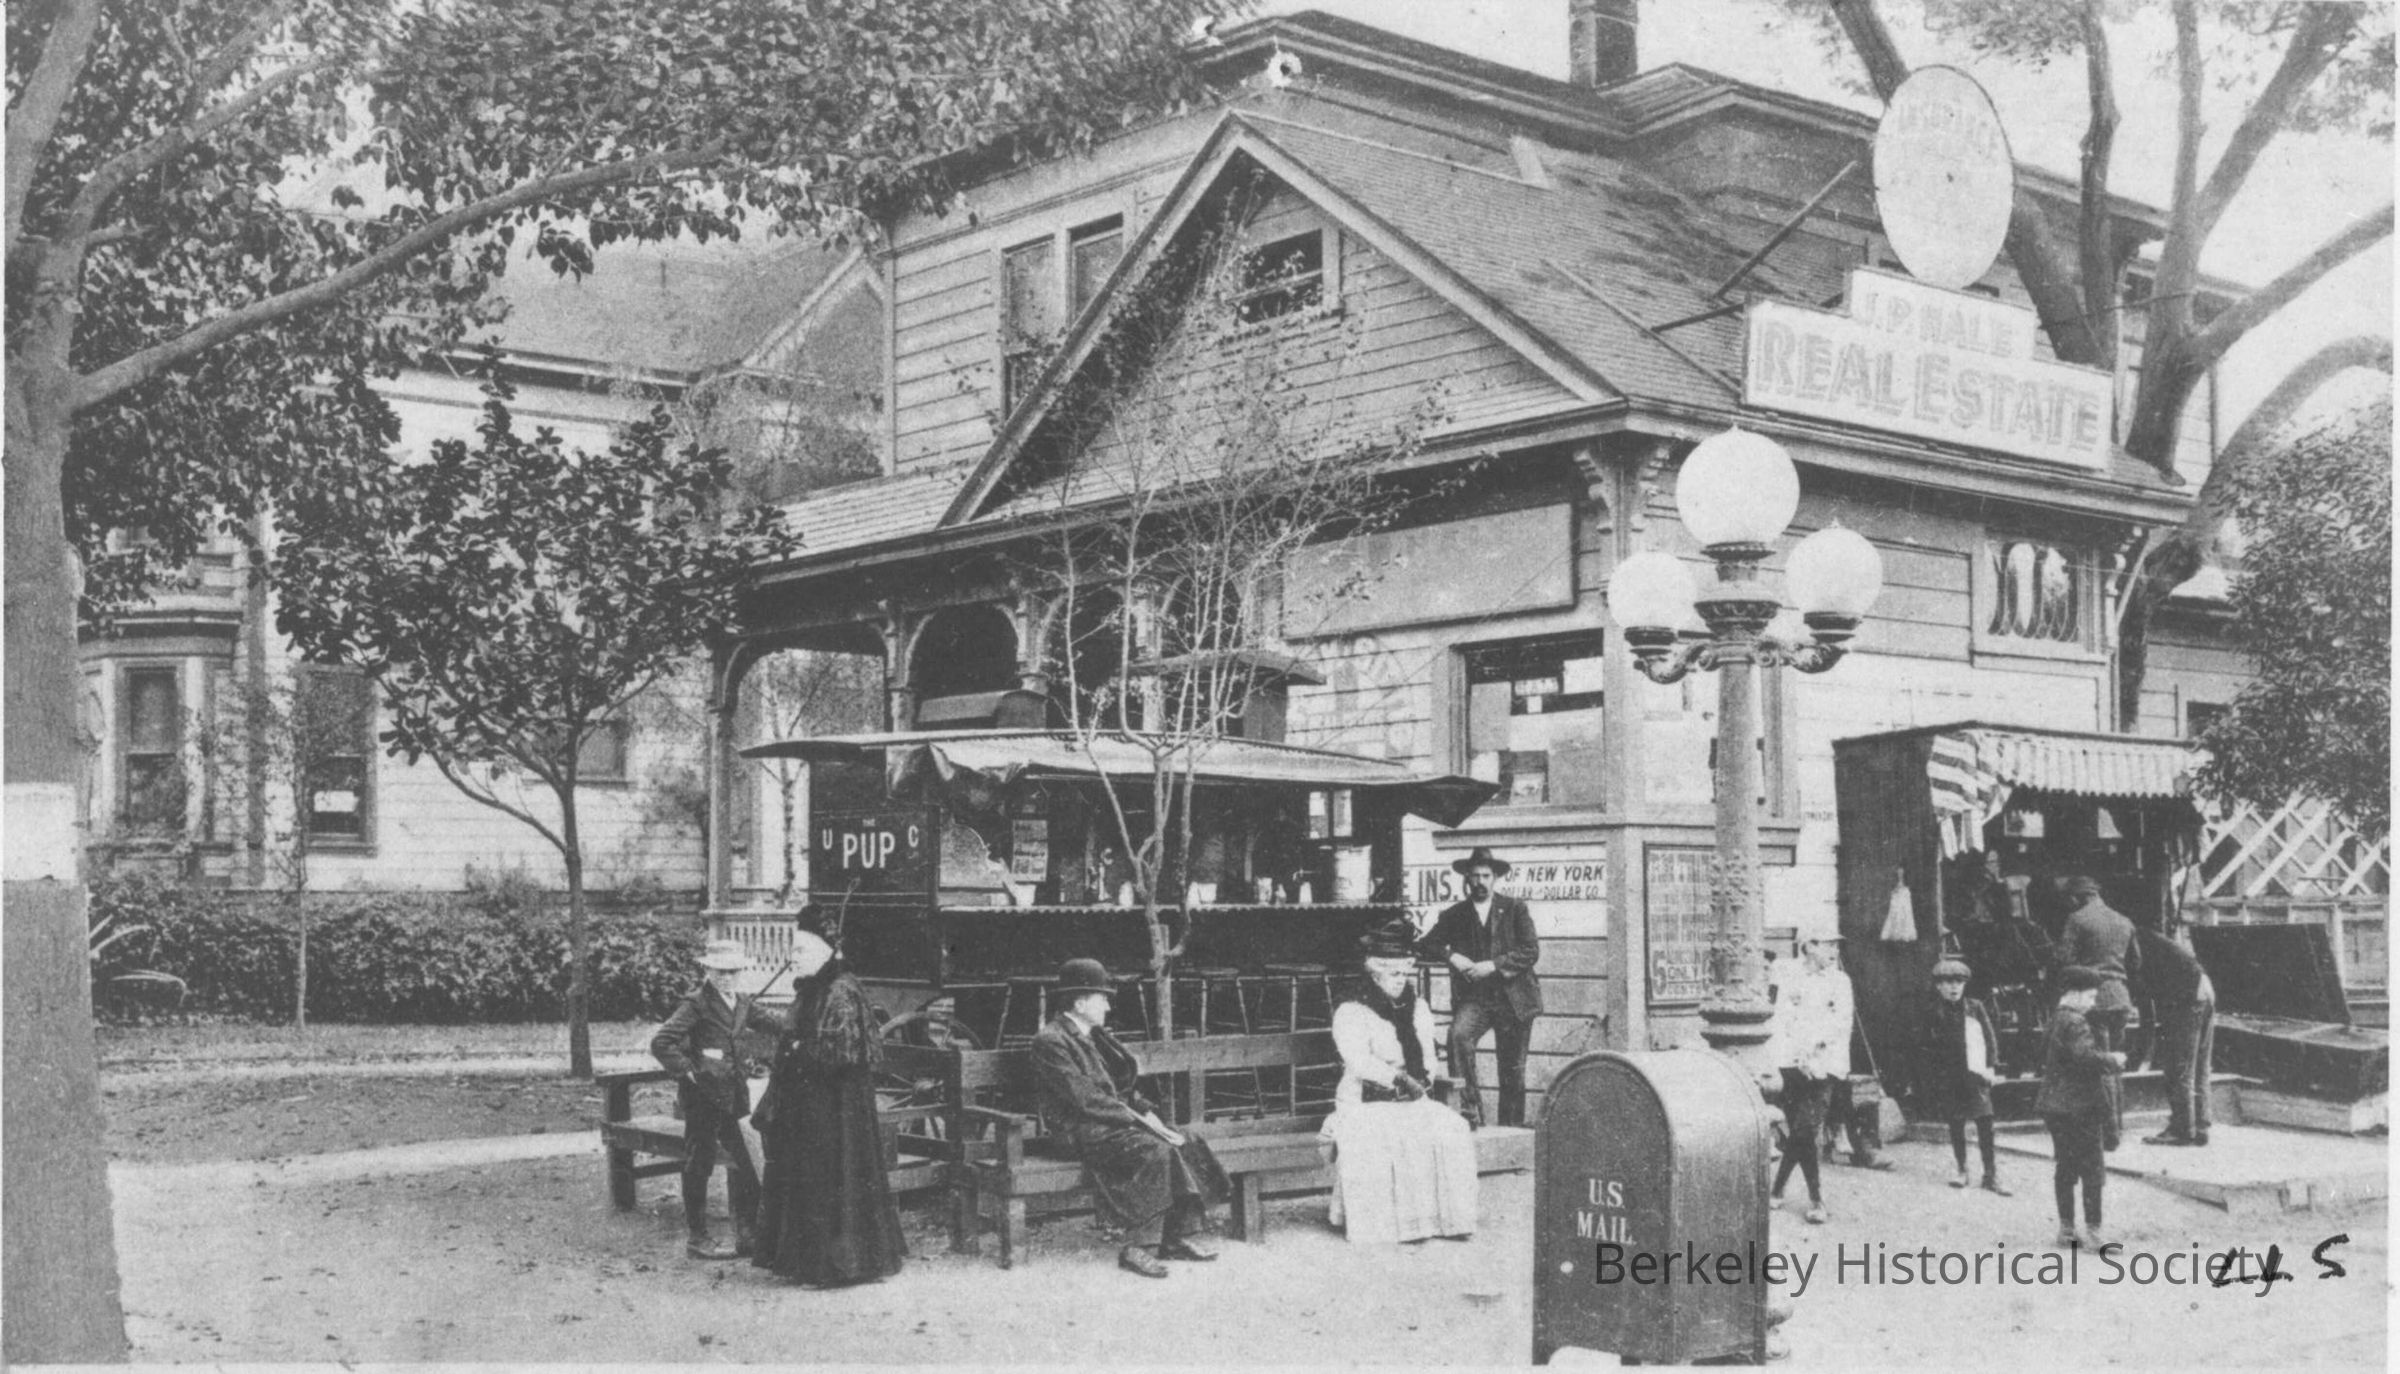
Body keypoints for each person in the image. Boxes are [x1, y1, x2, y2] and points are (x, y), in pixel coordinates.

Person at [1029, 958, 1231, 1278]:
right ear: (1080, 1003)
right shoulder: (1051, 1041)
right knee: (1156, 1151)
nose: (1108, 1007)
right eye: (1102, 999)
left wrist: (1148, 1112)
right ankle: (1138, 1246)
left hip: (1112, 1123)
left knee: (1187, 1140)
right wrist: (1141, 1123)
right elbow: (1084, 1098)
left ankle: (1174, 1238)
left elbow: (1122, 1087)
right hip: (1081, 1131)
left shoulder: (1095, 1035)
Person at [750, 920, 906, 1287]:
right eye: (793, 949)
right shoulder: (815, 987)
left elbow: (839, 1052)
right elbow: (802, 1035)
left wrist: (797, 1048)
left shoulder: (841, 990)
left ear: (827, 950)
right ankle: (811, 1264)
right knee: (811, 1178)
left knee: (835, 1177)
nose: (793, 957)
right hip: (813, 1103)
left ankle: (838, 1268)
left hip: (838, 1108)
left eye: (801, 949)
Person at [1321, 918, 1478, 1244]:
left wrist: (1424, 1077)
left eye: (1404, 973)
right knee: (1382, 1135)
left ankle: (1445, 1220)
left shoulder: (1417, 1007)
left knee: (1452, 1128)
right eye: (1393, 974)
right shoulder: (1352, 1010)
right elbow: (1358, 1061)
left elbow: (1428, 1054)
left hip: (1411, 1097)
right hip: (1365, 1099)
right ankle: (1383, 1225)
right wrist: (1399, 1078)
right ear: (1374, 974)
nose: (1400, 980)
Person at [651, 939, 783, 1259]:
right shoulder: (696, 1003)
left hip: (733, 1096)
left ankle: (748, 1234)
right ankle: (697, 1238)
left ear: (740, 972)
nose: (726, 977)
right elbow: (662, 1042)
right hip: (702, 1098)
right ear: (708, 970)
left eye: (732, 971)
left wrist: (806, 1023)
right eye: (719, 971)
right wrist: (689, 1071)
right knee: (699, 1162)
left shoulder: (742, 1002)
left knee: (747, 1161)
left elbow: (774, 1023)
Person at [1415, 847, 1542, 1128]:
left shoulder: (1515, 908)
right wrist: (1453, 956)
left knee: (1512, 1071)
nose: (1480, 882)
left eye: (1485, 876)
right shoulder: (1455, 914)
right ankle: (1470, 1117)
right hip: (1476, 999)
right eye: (1475, 876)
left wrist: (1494, 965)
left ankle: (1510, 1133)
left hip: (1514, 1000)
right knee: (1458, 1037)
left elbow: (1531, 950)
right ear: (1467, 879)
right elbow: (1427, 943)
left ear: (1495, 878)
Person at [2036, 965, 2124, 1248]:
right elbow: (2084, 1058)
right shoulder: (2076, 1022)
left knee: (2065, 1166)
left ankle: (2066, 1229)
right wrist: (2112, 1059)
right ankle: (2095, 1232)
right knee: (2093, 1170)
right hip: (2081, 1106)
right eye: (2090, 996)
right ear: (2074, 993)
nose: (2092, 1002)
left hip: (2055, 1105)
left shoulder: (2055, 1019)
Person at [1769, 934, 1852, 1224]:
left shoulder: (1840, 981)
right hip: (1792, 1066)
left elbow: (1841, 1024)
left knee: (1804, 1131)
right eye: (1828, 944)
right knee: (1800, 1133)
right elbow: (1781, 1020)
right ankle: (1778, 1188)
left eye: (1836, 945)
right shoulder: (1789, 976)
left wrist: (1813, 1051)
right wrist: (1793, 1056)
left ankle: (1816, 1199)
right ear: (1809, 946)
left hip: (1824, 1067)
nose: (1834, 951)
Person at [1917, 954, 2008, 1195]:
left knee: (1985, 1124)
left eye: (1958, 982)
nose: (1954, 987)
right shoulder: (1933, 1012)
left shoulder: (1975, 1008)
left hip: (1975, 1075)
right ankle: (1962, 1169)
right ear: (1938, 986)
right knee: (1956, 1124)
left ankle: (1991, 1174)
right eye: (1948, 982)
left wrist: (1990, 1067)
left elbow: (1989, 1039)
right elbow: (1925, 1047)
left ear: (1965, 984)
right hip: (1950, 1077)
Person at [2135, 919, 2216, 1148]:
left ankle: (2182, 1131)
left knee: (2178, 1067)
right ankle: (2200, 1125)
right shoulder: (2146, 936)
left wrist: (2141, 1052)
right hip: (2205, 988)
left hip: (2187, 996)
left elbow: (2146, 1008)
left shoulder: (2132, 946)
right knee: (2199, 1066)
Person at [2055, 876, 2141, 1053]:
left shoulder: (2076, 919)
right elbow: (2135, 962)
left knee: (2097, 1060)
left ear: (2076, 897)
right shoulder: (2124, 921)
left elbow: (2064, 958)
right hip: (2120, 997)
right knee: (2116, 1059)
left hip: (2091, 999)